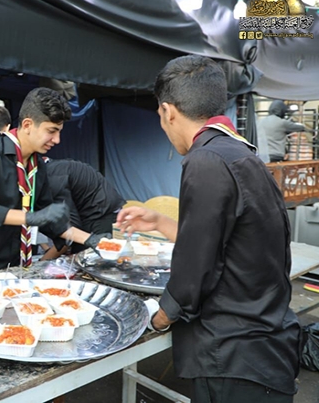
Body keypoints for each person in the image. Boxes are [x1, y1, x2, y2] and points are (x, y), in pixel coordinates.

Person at [117, 55, 301, 402]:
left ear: (168, 111)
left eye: (160, 117)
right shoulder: (241, 153)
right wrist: (160, 222)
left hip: (232, 354)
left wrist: (159, 316)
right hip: (264, 347)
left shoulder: (206, 160)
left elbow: (195, 269)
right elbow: (223, 242)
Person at [0, 88, 103, 275]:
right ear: (28, 124)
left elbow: (49, 220)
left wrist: (92, 240)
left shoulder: (37, 164)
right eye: (52, 131)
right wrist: (29, 217)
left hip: (16, 261)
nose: (57, 140)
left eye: (59, 132)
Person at [40, 158, 125, 259]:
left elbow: (70, 229)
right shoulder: (55, 168)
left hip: (99, 213)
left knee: (89, 258)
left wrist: (44, 260)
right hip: (102, 207)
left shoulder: (51, 178)